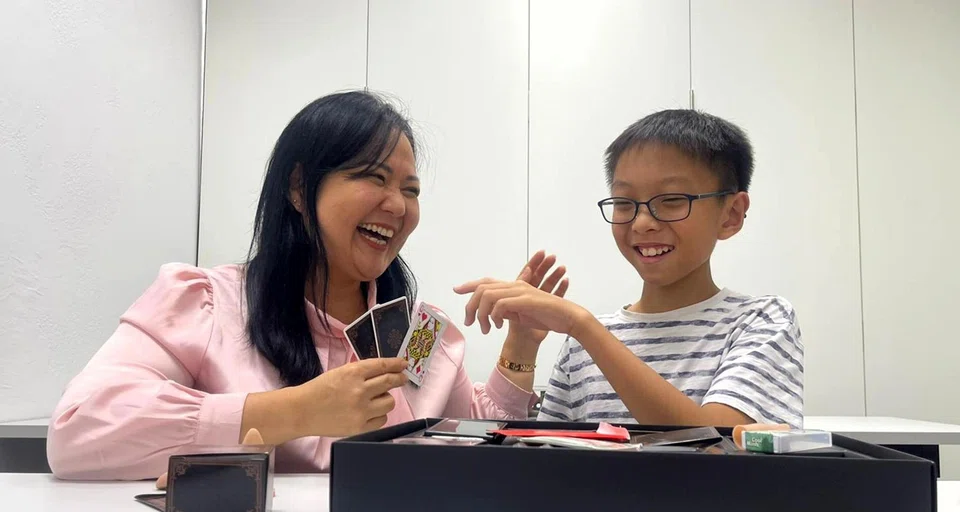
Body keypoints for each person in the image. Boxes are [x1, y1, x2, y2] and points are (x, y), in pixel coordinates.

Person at [47, 90, 568, 480]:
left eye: (410, 189)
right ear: (300, 188)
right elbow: (79, 427)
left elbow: (474, 435)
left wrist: (520, 347)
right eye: (374, 177)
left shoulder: (420, 332)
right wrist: (296, 411)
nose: (398, 205)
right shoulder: (207, 301)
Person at [456, 109, 803, 428]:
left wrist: (582, 325)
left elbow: (721, 444)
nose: (642, 223)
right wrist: (523, 347)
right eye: (625, 203)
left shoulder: (761, 320)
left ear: (731, 214)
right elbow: (548, 462)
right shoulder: (581, 346)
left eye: (671, 200)